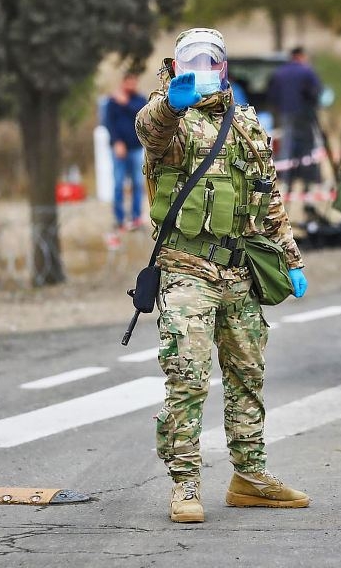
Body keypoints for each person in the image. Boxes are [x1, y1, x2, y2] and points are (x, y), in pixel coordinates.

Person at [135, 28, 310, 524]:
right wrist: (170, 104)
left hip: (239, 270)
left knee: (247, 375)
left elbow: (269, 197)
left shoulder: (247, 124)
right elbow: (150, 132)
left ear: (224, 66)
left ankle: (250, 477)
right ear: (176, 63)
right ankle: (186, 484)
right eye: (193, 59)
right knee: (187, 378)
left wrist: (291, 259)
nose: (203, 68)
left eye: (210, 60)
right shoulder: (172, 118)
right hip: (186, 270)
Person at [266, 47, 322, 191]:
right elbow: (316, 91)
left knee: (287, 146)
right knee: (307, 147)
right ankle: (307, 180)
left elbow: (272, 95)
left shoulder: (280, 72)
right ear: (301, 56)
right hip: (304, 115)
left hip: (285, 114)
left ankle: (286, 180)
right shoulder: (307, 71)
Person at [103, 73, 147, 241]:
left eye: (133, 82)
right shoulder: (112, 101)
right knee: (119, 184)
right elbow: (108, 123)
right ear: (123, 82)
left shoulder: (139, 100)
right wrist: (116, 142)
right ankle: (120, 220)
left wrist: (126, 103)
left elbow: (141, 116)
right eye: (128, 82)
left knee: (137, 183)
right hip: (119, 149)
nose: (130, 85)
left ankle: (136, 217)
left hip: (136, 148)